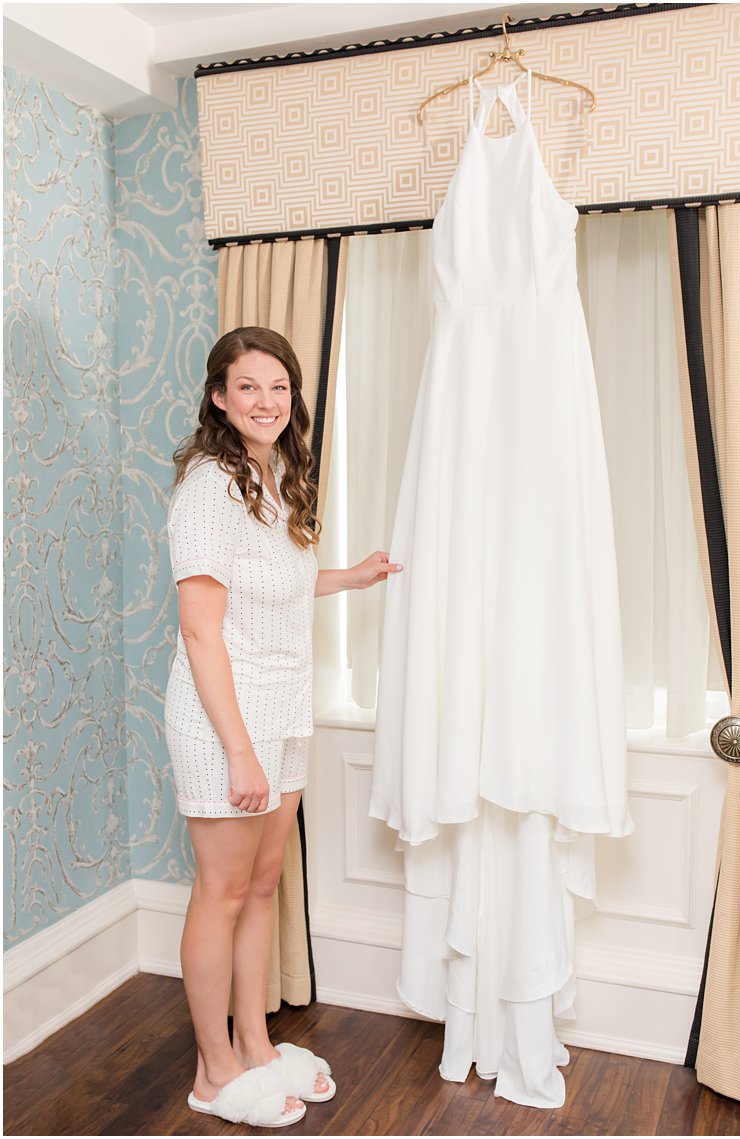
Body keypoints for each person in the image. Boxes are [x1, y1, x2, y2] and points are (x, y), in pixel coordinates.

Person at [165, 327, 401, 1127]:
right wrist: (238, 748)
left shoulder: (270, 477)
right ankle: (214, 1068)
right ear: (219, 398)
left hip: (285, 711)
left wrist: (353, 576)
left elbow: (277, 587)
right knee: (222, 889)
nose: (266, 401)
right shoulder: (207, 486)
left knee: (262, 885)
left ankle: (256, 1043)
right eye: (249, 386)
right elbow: (202, 631)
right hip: (225, 719)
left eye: (279, 387)